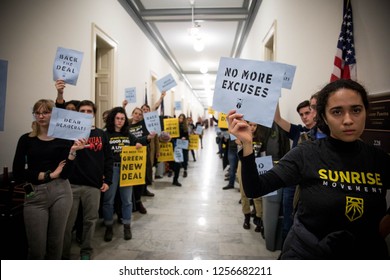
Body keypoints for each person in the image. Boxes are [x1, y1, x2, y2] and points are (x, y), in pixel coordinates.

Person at [228, 79, 390, 259]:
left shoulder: (380, 160)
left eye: (356, 110)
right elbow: (255, 188)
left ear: (366, 111)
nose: (348, 120)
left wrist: (379, 232)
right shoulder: (306, 154)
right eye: (337, 112)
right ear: (324, 117)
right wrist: (246, 145)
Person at [12, 99, 86, 259]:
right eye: (37, 112)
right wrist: (47, 175)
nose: (41, 116)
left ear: (54, 114)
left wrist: (73, 152)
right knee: (36, 249)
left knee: (55, 244)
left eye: (45, 112)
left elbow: (65, 173)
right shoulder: (25, 139)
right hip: (34, 193)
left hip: (61, 192)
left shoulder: (64, 140)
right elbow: (18, 173)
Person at [62, 100, 113, 260]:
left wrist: (108, 181)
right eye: (82, 111)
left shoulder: (101, 134)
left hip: (93, 185)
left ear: (93, 114)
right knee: (68, 223)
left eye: (88, 111)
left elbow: (109, 159)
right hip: (72, 184)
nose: (85, 114)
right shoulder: (70, 133)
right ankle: (63, 253)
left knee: (90, 221)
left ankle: (86, 250)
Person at [102, 107, 149, 242]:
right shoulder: (106, 134)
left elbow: (139, 141)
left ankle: (127, 226)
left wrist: (144, 141)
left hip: (126, 170)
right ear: (113, 119)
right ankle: (109, 226)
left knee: (127, 200)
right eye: (117, 118)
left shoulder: (128, 134)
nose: (120, 121)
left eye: (122, 118)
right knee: (108, 200)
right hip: (112, 170)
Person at [274, 99, 317, 243]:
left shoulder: (324, 134)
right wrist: (274, 94)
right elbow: (278, 119)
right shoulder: (299, 131)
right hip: (292, 183)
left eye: (307, 113)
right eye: (301, 114)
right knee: (288, 219)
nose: (305, 117)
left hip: (311, 185)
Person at [236, 121, 266, 233]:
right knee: (244, 193)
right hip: (243, 164)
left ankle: (259, 218)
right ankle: (246, 217)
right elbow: (239, 153)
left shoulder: (261, 138)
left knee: (257, 194)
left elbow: (263, 154)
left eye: (255, 125)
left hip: (258, 164)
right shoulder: (242, 137)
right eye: (251, 125)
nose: (252, 127)